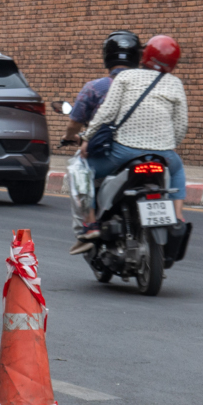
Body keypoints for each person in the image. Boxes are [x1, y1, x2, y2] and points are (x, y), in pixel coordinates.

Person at [73, 35, 188, 254]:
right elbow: (181, 125)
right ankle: (178, 216)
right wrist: (168, 144)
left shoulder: (126, 77)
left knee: (82, 170)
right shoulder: (175, 83)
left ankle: (90, 225)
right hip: (163, 155)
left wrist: (87, 137)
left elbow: (107, 113)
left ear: (145, 56)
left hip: (124, 152)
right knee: (178, 169)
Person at [60, 30, 141, 146]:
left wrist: (69, 136)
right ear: (137, 56)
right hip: (145, 150)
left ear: (107, 55)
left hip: (105, 151)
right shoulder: (147, 87)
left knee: (80, 161)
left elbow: (75, 123)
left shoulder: (93, 88)